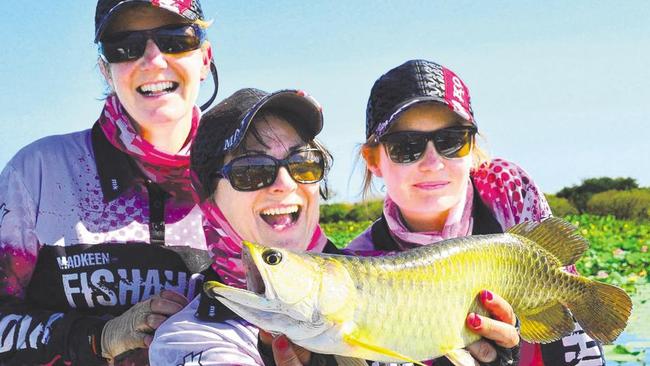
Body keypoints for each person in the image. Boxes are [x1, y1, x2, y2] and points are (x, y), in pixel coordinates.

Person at [149, 88, 521, 366]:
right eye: (252, 171)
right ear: (207, 199)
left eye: (304, 164)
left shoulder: (390, 275)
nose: (286, 184)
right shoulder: (188, 337)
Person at [0, 1, 218, 364]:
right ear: (105, 69)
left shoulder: (240, 180)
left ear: (205, 59)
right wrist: (98, 338)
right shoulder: (37, 171)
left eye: (175, 39)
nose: (153, 59)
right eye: (125, 46)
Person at [349, 59, 606, 365]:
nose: (432, 163)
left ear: (471, 145)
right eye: (406, 147)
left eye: (451, 140)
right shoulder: (356, 266)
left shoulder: (507, 192)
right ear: (373, 160)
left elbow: (572, 324)